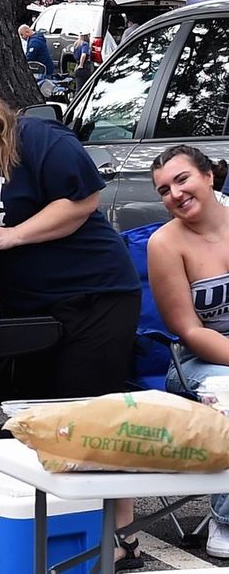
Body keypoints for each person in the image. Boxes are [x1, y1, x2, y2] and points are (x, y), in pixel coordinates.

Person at [0, 64, 146, 568]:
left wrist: (11, 235)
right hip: (32, 315)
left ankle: (124, 536)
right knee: (43, 432)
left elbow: (84, 198)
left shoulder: (33, 136)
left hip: (93, 296)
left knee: (90, 423)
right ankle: (65, 536)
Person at [148, 144, 229, 561]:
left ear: (209, 175)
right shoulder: (165, 244)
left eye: (182, 180)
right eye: (164, 190)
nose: (175, 194)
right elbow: (189, 330)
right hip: (197, 361)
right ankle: (225, 523)